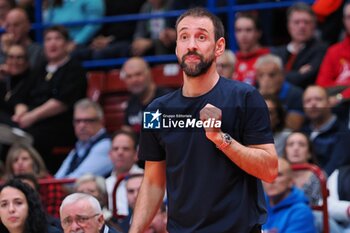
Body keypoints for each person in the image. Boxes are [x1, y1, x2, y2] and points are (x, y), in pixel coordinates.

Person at [129, 7, 278, 233]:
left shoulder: (245, 97)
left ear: (219, 47)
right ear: (177, 47)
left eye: (201, 37)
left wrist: (220, 139)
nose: (191, 45)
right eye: (184, 37)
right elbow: (152, 182)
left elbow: (269, 169)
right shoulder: (156, 110)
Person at [8, 25, 87, 172]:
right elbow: (21, 96)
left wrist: (32, 117)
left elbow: (62, 102)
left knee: (32, 137)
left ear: (67, 44)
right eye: (48, 39)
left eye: (58, 39)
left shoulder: (74, 69)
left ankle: (36, 175)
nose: (53, 43)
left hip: (58, 125)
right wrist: (21, 113)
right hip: (29, 122)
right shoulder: (39, 68)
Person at [271, 2, 327, 89]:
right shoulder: (277, 52)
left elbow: (305, 78)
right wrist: (298, 73)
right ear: (288, 25)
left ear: (314, 25)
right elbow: (269, 78)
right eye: (297, 22)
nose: (302, 26)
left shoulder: (321, 50)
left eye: (306, 22)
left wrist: (281, 74)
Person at [3, 143, 67, 217]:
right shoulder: (5, 186)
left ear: (34, 162)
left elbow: (54, 215)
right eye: (15, 160)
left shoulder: (49, 183)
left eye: (25, 159)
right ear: (10, 166)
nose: (20, 163)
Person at [55, 98, 113, 178]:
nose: (82, 126)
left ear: (101, 121)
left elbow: (77, 180)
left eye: (88, 121)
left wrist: (54, 185)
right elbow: (58, 177)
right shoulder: (80, 145)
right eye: (78, 121)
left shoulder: (106, 145)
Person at [302, 85, 350, 175]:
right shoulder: (303, 131)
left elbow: (333, 169)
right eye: (308, 101)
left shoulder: (343, 134)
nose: (313, 104)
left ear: (329, 102)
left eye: (318, 99)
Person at [262, 158, 317, 233]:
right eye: (267, 174)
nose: (272, 180)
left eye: (278, 175)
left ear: (291, 182)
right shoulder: (257, 206)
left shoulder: (301, 212)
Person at [316, 2, 350, 120]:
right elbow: (322, 85)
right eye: (349, 17)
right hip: (335, 107)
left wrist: (342, 96)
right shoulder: (333, 51)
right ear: (344, 21)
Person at [121, 57, 170, 134]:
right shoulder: (131, 102)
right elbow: (127, 132)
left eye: (138, 74)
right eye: (129, 76)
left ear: (149, 74)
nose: (134, 80)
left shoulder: (167, 99)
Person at [256, 54, 304, 130]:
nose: (266, 80)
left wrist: (271, 98)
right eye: (261, 75)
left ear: (282, 75)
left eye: (271, 75)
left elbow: (293, 127)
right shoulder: (253, 96)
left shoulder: (295, 94)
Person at [106, 130, 143, 217]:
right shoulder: (105, 184)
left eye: (126, 149)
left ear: (136, 154)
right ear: (110, 155)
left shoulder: (148, 179)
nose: (120, 152)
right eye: (115, 149)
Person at [233, 12, 269, 86]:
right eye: (239, 30)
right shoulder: (232, 60)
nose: (243, 35)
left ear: (258, 33)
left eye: (248, 30)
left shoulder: (268, 58)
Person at [0, 44, 30, 125]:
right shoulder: (4, 81)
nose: (14, 62)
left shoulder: (32, 81)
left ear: (26, 62)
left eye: (19, 57)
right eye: (11, 57)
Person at [327, 165, 350, 232]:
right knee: (317, 216)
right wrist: (348, 209)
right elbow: (328, 205)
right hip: (340, 227)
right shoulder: (339, 174)